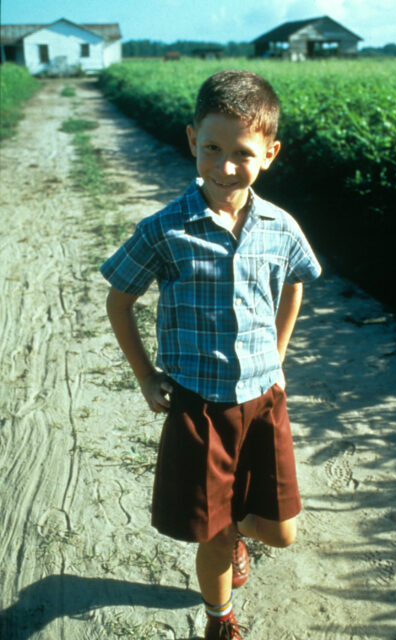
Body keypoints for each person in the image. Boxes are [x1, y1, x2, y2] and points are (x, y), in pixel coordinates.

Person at [100, 70, 321, 640]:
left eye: (242, 153)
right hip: (199, 407)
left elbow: (296, 281)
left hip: (264, 400)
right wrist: (147, 378)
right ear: (193, 138)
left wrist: (278, 352)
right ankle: (219, 619)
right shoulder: (164, 231)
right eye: (213, 148)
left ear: (269, 154)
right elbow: (119, 301)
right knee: (211, 533)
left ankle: (238, 529)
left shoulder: (279, 226)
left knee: (282, 531)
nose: (225, 167)